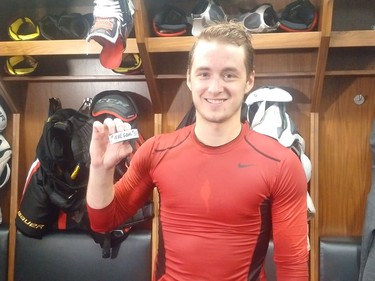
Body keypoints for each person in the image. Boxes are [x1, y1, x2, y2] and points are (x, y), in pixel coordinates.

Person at [87, 22, 309, 281]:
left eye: (229, 75)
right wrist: (100, 169)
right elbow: (103, 222)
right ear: (189, 79)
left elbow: (292, 268)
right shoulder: (156, 151)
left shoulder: (281, 163)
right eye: (204, 74)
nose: (215, 88)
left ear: (249, 80)